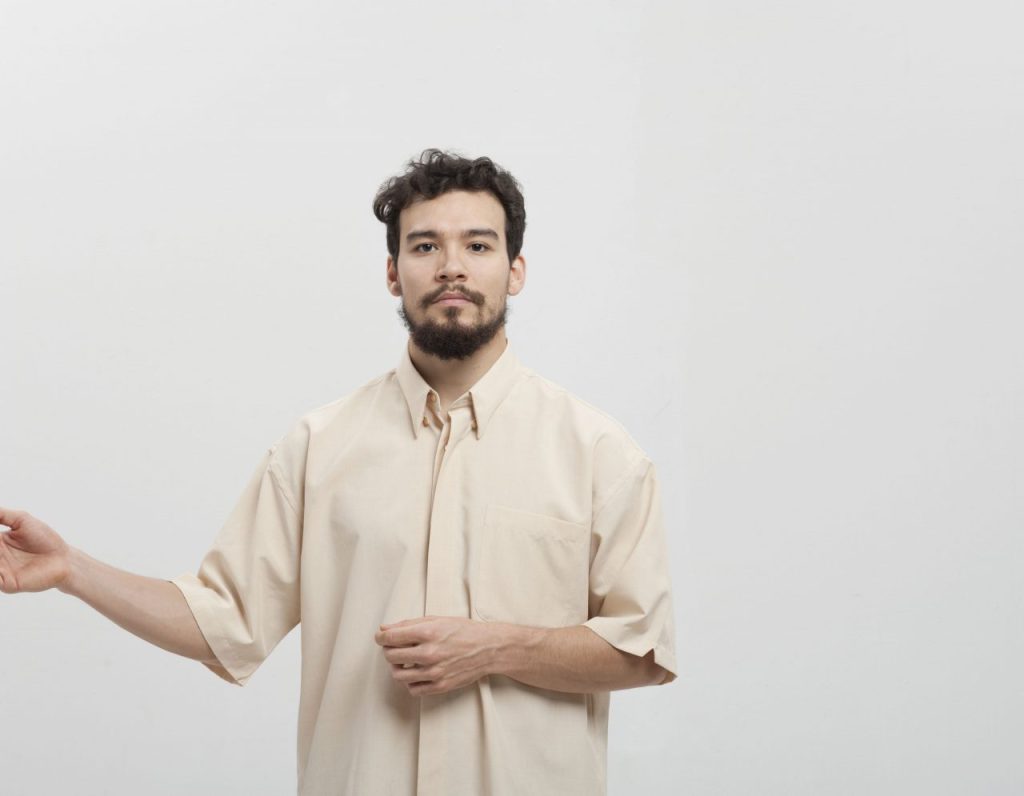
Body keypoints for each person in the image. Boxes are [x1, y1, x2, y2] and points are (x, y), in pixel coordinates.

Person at [0, 149, 678, 795]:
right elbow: (223, 620)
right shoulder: (318, 447)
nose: (452, 267)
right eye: (424, 246)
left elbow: (643, 650)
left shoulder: (599, 454)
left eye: (478, 245)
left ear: (515, 269)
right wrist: (71, 570)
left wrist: (496, 648)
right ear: (393, 273)